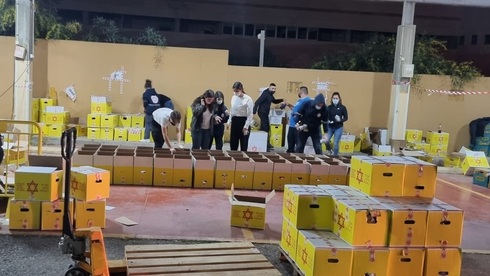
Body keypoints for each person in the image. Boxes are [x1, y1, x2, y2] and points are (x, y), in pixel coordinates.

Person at [253, 83, 284, 151]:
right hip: (262, 112)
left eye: (274, 89)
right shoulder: (265, 94)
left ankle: (264, 143)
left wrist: (282, 100)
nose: (273, 90)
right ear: (269, 88)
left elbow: (274, 101)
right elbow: (257, 101)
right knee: (265, 127)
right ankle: (265, 143)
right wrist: (254, 111)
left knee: (265, 127)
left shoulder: (270, 95)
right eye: (272, 88)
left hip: (265, 113)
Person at [228, 81, 254, 151]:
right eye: (234, 91)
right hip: (235, 120)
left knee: (244, 143)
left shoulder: (248, 99)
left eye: (237, 91)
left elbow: (250, 114)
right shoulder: (234, 97)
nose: (235, 92)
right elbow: (232, 110)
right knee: (233, 142)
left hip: (244, 120)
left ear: (241, 89)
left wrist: (246, 126)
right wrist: (229, 121)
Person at [286, 86, 310, 153]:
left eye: (299, 91)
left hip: (299, 126)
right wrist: (288, 105)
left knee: (299, 146)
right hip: (292, 125)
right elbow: (294, 109)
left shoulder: (307, 101)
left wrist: (299, 114)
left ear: (301, 92)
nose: (298, 93)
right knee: (290, 144)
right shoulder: (299, 101)